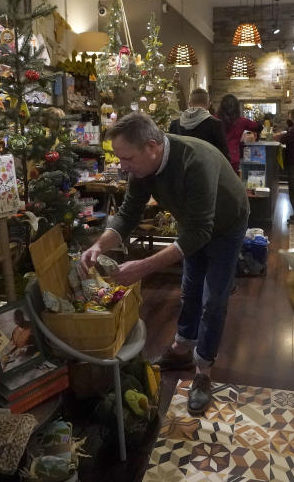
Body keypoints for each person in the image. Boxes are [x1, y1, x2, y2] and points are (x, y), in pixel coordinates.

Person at [81, 112, 249, 416]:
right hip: (195, 223)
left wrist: (143, 267)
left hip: (228, 223)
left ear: (152, 146)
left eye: (127, 158)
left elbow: (201, 232)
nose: (123, 166)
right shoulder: (142, 169)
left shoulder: (195, 162)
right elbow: (128, 214)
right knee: (190, 286)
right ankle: (182, 348)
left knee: (214, 299)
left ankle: (203, 372)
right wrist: (98, 245)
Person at [168, 88, 230, 162]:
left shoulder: (175, 124)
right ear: (208, 104)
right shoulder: (215, 124)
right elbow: (223, 154)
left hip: (181, 170)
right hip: (206, 169)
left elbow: (171, 152)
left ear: (189, 103)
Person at [217, 93, 260, 173]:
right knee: (232, 183)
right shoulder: (242, 121)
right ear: (237, 107)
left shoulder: (214, 120)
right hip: (233, 158)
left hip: (217, 157)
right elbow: (258, 126)